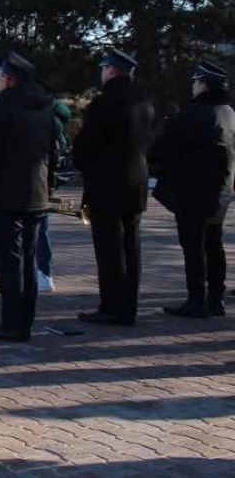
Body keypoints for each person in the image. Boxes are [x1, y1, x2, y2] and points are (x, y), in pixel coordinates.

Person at [0, 51, 57, 342]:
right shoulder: (45, 108)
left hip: (7, 197)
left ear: (10, 79)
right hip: (37, 195)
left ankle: (11, 323)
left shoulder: (2, 111)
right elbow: (52, 153)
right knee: (29, 260)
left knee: (9, 262)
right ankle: (26, 320)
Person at [72, 49, 155, 327]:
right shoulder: (144, 102)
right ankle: (128, 305)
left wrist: (80, 159)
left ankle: (111, 306)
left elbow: (86, 146)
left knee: (109, 248)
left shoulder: (104, 104)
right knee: (131, 246)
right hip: (136, 183)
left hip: (107, 184)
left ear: (111, 71)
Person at [149, 60, 235, 318]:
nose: (194, 87)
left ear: (204, 85)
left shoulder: (195, 114)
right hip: (221, 190)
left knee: (193, 247)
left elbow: (163, 148)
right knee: (214, 243)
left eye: (197, 82)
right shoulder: (228, 113)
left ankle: (196, 299)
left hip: (192, 189)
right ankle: (215, 298)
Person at [36, 98, 73, 293]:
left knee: (39, 229)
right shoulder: (54, 121)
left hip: (38, 182)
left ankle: (43, 272)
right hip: (47, 182)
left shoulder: (44, 121)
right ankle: (43, 272)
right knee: (42, 227)